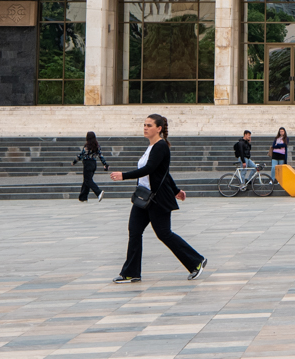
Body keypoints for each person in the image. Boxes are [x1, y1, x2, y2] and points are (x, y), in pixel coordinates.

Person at [109, 113, 206, 283]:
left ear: (159, 128)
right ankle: (131, 273)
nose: (145, 128)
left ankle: (196, 261)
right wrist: (176, 190)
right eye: (144, 125)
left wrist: (123, 175)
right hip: (143, 198)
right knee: (135, 231)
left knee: (164, 234)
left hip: (157, 200)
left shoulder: (161, 147)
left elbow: (150, 169)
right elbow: (164, 173)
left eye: (149, 125)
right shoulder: (151, 147)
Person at [74, 131, 109, 203]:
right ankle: (83, 197)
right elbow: (100, 156)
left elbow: (81, 155)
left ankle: (98, 192)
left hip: (87, 164)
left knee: (88, 180)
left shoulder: (86, 147)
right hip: (93, 164)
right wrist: (105, 164)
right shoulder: (97, 146)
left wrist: (74, 161)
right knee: (86, 180)